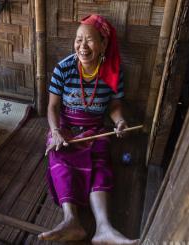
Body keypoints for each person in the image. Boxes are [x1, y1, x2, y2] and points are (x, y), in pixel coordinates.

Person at [38, 14, 138, 244]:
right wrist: (55, 132)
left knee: (99, 164)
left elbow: (114, 105)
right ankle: (70, 220)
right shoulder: (63, 68)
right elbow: (52, 107)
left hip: (95, 129)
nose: (82, 46)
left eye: (90, 40)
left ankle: (104, 228)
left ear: (104, 44)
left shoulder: (113, 72)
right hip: (66, 128)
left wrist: (119, 121)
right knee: (58, 155)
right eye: (78, 39)